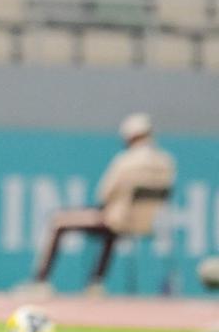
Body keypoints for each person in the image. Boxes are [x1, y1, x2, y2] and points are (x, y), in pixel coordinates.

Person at [25, 113, 176, 297]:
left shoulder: (126, 161)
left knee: (59, 221)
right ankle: (95, 283)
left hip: (116, 222)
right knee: (112, 228)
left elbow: (104, 194)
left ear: (130, 137)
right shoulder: (166, 162)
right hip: (147, 225)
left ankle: (40, 282)